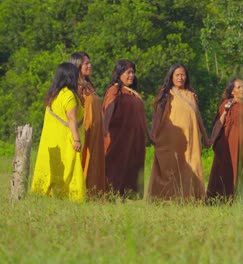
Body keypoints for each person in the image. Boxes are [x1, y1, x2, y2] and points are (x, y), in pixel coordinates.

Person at [147, 63, 209, 201]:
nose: (180, 78)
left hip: (191, 139)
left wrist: (205, 136)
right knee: (171, 166)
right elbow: (158, 115)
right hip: (171, 139)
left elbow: (198, 117)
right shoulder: (167, 93)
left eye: (183, 75)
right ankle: (167, 198)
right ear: (171, 77)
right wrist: (153, 134)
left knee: (192, 164)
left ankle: (191, 198)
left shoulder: (191, 95)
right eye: (177, 75)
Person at [31, 62, 86, 202]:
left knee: (53, 167)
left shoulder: (54, 94)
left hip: (53, 139)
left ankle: (46, 192)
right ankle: (71, 195)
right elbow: (72, 119)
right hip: (67, 140)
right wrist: (77, 139)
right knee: (71, 168)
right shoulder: (68, 96)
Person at [206, 78, 243, 204]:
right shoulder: (227, 105)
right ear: (232, 91)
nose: (242, 89)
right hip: (229, 146)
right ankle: (222, 200)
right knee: (226, 171)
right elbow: (219, 123)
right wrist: (211, 140)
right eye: (239, 87)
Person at [102, 59, 148, 199]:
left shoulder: (132, 93)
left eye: (133, 72)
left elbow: (142, 118)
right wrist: (103, 131)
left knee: (131, 168)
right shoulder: (115, 90)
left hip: (134, 141)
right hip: (119, 139)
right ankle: (109, 195)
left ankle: (124, 196)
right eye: (128, 72)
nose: (131, 75)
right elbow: (108, 110)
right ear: (119, 74)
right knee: (115, 166)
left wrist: (150, 136)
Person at [69, 52, 106, 196]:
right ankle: (82, 191)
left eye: (90, 63)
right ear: (77, 66)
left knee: (95, 161)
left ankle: (95, 192)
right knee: (86, 159)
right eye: (86, 64)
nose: (90, 65)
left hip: (96, 130)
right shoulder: (76, 87)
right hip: (85, 130)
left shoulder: (88, 84)